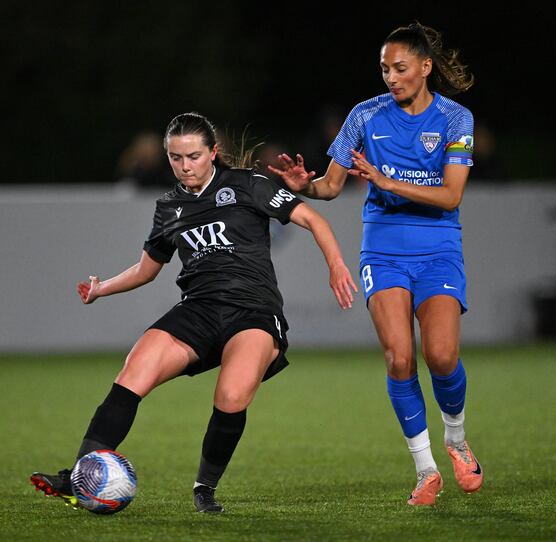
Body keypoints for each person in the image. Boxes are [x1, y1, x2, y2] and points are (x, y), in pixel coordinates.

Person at [31, 112, 357, 513]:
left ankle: (205, 487)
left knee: (232, 394)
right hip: (198, 309)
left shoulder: (247, 184)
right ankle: (80, 475)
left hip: (252, 310)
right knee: (134, 372)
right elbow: (147, 270)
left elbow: (311, 218)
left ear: (213, 153)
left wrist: (337, 264)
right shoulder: (170, 207)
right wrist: (102, 289)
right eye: (175, 158)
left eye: (194, 156)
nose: (185, 166)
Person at [269, 22, 481, 506]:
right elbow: (331, 185)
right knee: (398, 357)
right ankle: (426, 468)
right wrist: (305, 185)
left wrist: (386, 182)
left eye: (400, 68)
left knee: (442, 355)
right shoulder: (365, 116)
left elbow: (450, 196)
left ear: (426, 68)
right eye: (384, 68)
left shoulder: (454, 119)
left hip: (438, 247)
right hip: (382, 250)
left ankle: (456, 439)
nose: (391, 77)